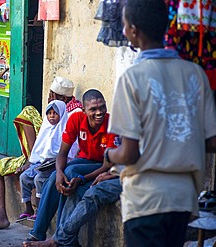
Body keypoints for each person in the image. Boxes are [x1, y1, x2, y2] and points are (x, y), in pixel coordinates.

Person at [105, 0, 216, 246]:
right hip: (183, 198)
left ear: (133, 31)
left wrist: (109, 155)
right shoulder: (195, 74)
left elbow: (129, 153)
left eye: (124, 26)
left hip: (146, 198)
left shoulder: (132, 78)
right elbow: (212, 141)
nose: (123, 32)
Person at [0, 76, 83, 231]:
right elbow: (44, 138)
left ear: (63, 98)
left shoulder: (72, 113)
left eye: (52, 95)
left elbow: (66, 147)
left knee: (28, 112)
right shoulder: (55, 109)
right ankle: (2, 215)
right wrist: (33, 159)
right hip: (39, 157)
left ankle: (35, 213)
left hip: (56, 160)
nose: (49, 97)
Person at [26, 89, 117, 242]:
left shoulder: (112, 124)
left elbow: (108, 166)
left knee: (72, 172)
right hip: (84, 161)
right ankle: (38, 232)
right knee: (56, 176)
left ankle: (60, 239)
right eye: (93, 109)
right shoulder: (76, 119)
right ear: (83, 110)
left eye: (102, 107)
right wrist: (59, 172)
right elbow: (62, 153)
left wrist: (82, 179)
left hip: (103, 165)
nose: (99, 112)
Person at [22, 165, 123, 247]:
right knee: (62, 179)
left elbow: (120, 161)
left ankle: (59, 239)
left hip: (131, 176)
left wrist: (113, 173)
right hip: (119, 171)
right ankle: (56, 238)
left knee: (93, 191)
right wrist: (59, 171)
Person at [19, 100, 78, 221]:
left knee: (39, 179)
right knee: (24, 177)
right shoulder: (46, 128)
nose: (51, 116)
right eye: (49, 113)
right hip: (41, 164)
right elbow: (38, 151)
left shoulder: (65, 129)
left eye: (55, 113)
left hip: (55, 165)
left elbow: (69, 153)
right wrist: (32, 162)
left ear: (61, 114)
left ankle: (39, 211)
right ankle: (28, 208)